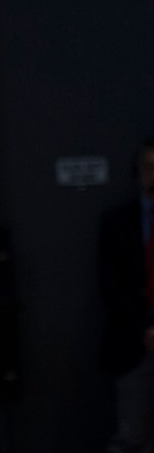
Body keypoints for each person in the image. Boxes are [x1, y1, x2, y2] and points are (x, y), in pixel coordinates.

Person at [100, 140, 154, 453]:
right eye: (148, 168)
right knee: (133, 437)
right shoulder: (117, 222)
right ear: (137, 174)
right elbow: (111, 286)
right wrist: (144, 329)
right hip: (134, 345)